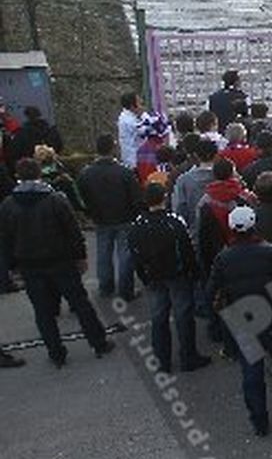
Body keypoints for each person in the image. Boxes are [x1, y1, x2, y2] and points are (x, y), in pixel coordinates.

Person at [0, 158, 116, 367]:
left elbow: (6, 239)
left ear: (18, 177)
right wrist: (80, 256)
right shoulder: (55, 200)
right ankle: (98, 341)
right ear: (39, 174)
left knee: (43, 312)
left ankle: (56, 352)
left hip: (29, 265)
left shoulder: (8, 205)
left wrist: (11, 267)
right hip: (60, 260)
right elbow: (72, 231)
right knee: (80, 303)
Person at [206, 206, 272, 436]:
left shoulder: (223, 258)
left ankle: (259, 420)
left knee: (252, 372)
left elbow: (212, 289)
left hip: (242, 317)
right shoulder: (269, 252)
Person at [128, 182, 211, 373]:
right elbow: (187, 250)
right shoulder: (174, 222)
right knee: (183, 316)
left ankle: (162, 360)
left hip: (154, 276)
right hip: (177, 275)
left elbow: (135, 255)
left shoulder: (137, 225)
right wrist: (194, 273)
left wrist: (143, 276)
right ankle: (188, 356)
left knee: (158, 318)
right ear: (164, 198)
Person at [77, 134, 144, 301]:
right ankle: (125, 289)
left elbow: (82, 197)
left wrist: (90, 213)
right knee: (125, 255)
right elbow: (136, 198)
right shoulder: (124, 172)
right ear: (113, 148)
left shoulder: (86, 174)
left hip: (100, 218)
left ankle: (106, 287)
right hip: (124, 217)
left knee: (103, 253)